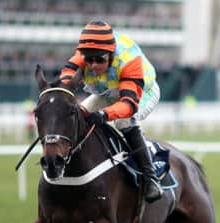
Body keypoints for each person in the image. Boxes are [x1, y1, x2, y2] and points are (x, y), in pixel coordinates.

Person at [59, 20, 163, 202]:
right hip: (108, 91)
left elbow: (128, 105)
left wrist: (104, 114)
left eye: (99, 59)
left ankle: (151, 177)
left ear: (111, 54)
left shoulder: (129, 60)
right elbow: (67, 75)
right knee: (78, 114)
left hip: (141, 93)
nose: (92, 65)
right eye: (88, 59)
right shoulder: (86, 53)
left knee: (123, 121)